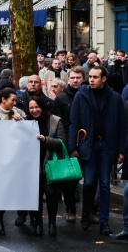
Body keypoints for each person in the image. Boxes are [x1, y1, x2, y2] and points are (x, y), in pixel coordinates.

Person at [68, 66, 126, 236]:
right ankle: (86, 213)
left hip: (108, 145)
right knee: (88, 182)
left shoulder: (114, 98)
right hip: (88, 144)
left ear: (104, 79)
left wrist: (121, 150)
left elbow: (122, 126)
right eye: (90, 77)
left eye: (95, 77)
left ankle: (104, 221)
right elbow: (74, 122)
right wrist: (73, 147)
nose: (91, 80)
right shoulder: (81, 95)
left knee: (105, 184)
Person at [0, 87, 26, 235]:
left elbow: (27, 130)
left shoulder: (18, 114)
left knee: (6, 190)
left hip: (12, 159)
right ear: (3, 100)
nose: (15, 103)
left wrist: (21, 123)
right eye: (13, 100)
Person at [26, 95, 65, 237]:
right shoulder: (26, 121)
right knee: (35, 195)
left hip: (49, 164)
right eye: (31, 108)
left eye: (37, 107)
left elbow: (62, 142)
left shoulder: (54, 121)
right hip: (32, 165)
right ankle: (38, 224)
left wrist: (45, 140)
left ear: (42, 107)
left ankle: (52, 223)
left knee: (51, 195)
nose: (34, 110)